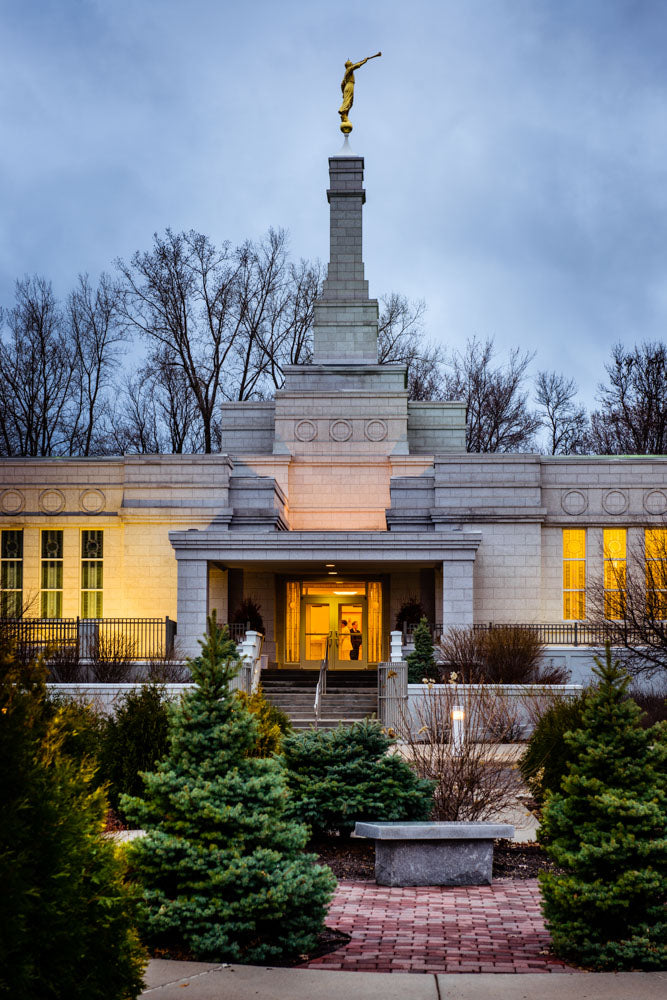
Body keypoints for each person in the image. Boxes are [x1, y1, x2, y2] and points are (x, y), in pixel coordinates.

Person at [338, 52, 381, 132]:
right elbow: (356, 66)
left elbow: (342, 84)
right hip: (350, 85)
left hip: (348, 87)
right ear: (349, 65)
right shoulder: (349, 69)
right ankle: (343, 113)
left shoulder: (346, 73)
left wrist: (343, 93)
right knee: (348, 102)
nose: (352, 64)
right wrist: (364, 61)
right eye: (351, 63)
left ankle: (345, 115)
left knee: (350, 102)